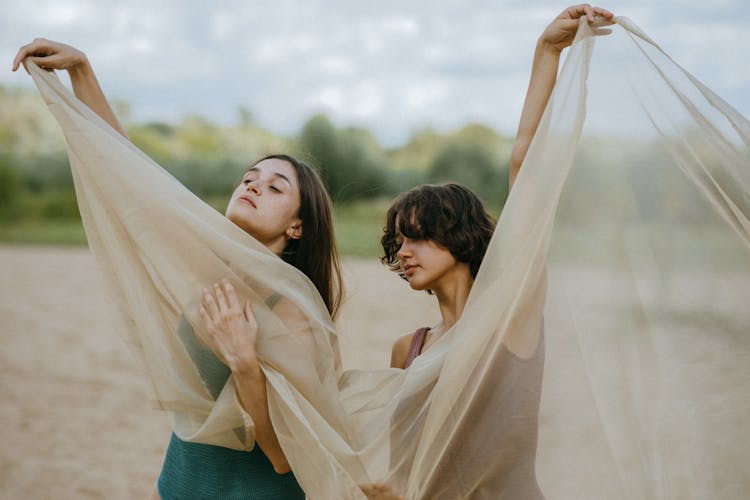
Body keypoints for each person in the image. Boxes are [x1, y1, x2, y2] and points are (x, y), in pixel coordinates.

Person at [12, 40, 342, 499]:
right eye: (249, 177)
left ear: (297, 226)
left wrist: (245, 362)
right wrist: (83, 72)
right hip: (179, 485)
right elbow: (132, 181)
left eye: (274, 187)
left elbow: (285, 454)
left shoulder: (293, 313)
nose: (252, 185)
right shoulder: (210, 268)